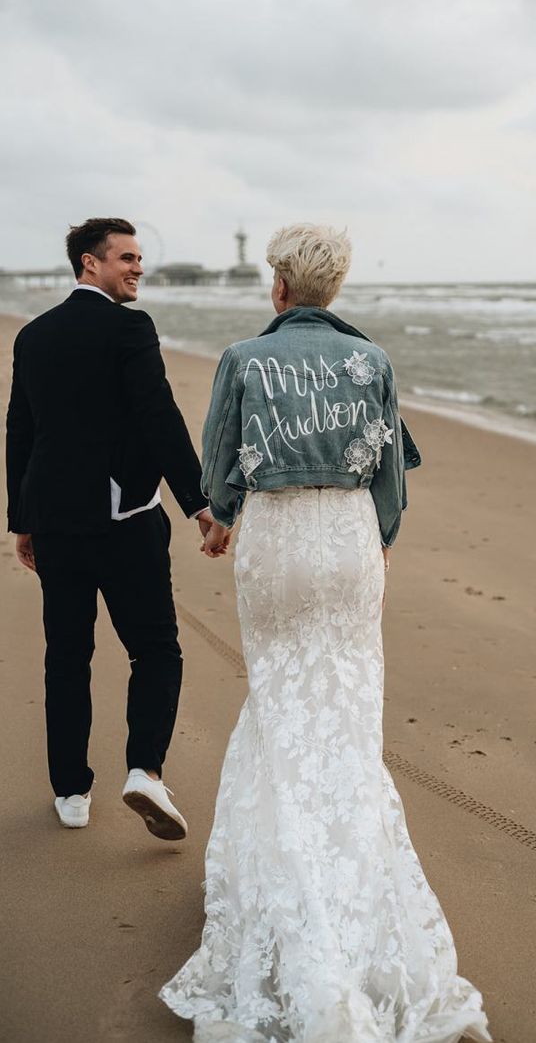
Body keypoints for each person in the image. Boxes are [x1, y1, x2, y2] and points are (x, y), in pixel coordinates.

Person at [160, 224, 491, 1041]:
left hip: (274, 543)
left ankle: (277, 880)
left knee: (278, 698)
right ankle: (350, 884)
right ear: (333, 290)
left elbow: (218, 469)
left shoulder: (243, 359)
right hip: (346, 542)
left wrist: (220, 521)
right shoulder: (371, 360)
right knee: (344, 709)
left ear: (278, 288)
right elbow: (388, 484)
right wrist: (375, 546)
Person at [5, 217, 226, 839]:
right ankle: (145, 771)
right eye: (125, 258)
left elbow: (20, 429)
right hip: (124, 521)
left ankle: (70, 791)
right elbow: (158, 414)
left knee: (67, 656)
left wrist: (22, 519)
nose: (137, 268)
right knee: (155, 649)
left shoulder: (34, 335)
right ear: (88, 265)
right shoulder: (130, 327)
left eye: (138, 259)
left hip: (54, 521)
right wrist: (199, 503)